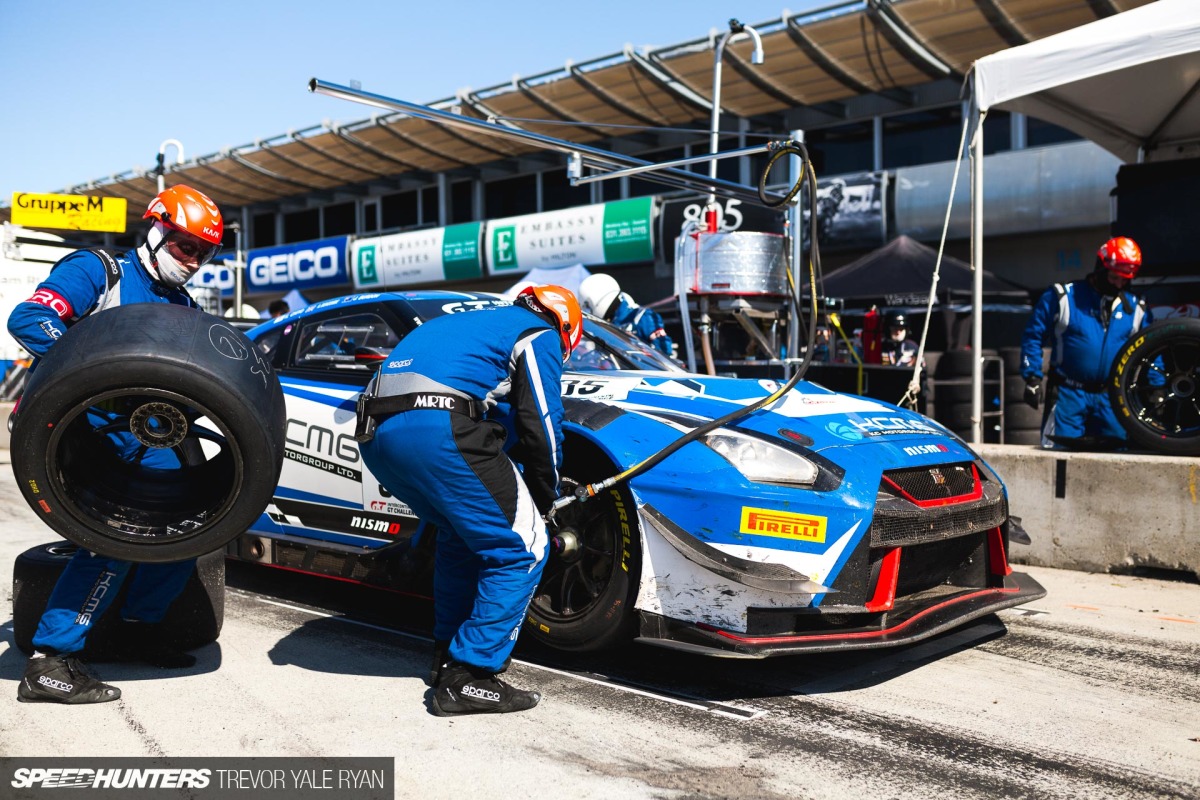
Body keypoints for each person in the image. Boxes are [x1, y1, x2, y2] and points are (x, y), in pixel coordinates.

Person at [8, 184, 224, 704]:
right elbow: (29, 321)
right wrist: (102, 374)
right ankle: (51, 662)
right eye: (184, 246)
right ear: (155, 230)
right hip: (74, 432)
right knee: (116, 533)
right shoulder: (98, 271)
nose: (193, 261)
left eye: (204, 252)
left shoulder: (183, 305)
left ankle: (138, 628)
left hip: (144, 436)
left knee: (190, 524)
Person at [356, 285, 582, 716]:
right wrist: (546, 498)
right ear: (566, 325)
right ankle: (471, 676)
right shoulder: (539, 332)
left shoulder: (464, 323)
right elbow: (542, 424)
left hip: (376, 438)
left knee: (462, 536)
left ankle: (445, 656)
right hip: (436, 427)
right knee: (524, 549)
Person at [1020, 236, 1153, 449]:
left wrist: (1156, 388)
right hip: (1067, 395)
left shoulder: (1137, 308)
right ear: (1100, 268)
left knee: (1117, 459)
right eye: (1113, 277)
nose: (1119, 284)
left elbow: (1151, 350)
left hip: (1113, 399)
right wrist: (1032, 376)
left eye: (1125, 279)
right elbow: (1033, 336)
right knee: (1059, 457)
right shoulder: (1062, 297)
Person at [577, 273, 674, 358]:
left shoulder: (642, 317)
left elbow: (664, 350)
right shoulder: (606, 328)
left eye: (587, 306)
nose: (589, 311)